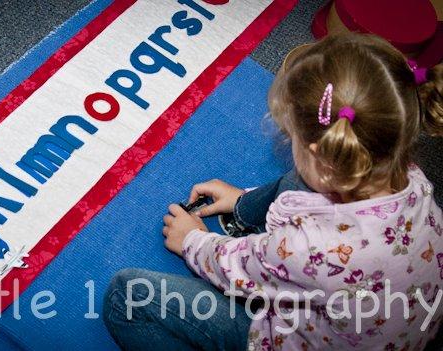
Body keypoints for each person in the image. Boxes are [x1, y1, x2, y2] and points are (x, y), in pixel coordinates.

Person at [103, 33, 443, 350]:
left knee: (125, 296)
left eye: (290, 136)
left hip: (299, 336)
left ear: (319, 156)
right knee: (297, 184)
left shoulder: (306, 247)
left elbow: (235, 268)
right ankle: (241, 211)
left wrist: (192, 240)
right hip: (383, 320)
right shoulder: (416, 181)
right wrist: (242, 198)